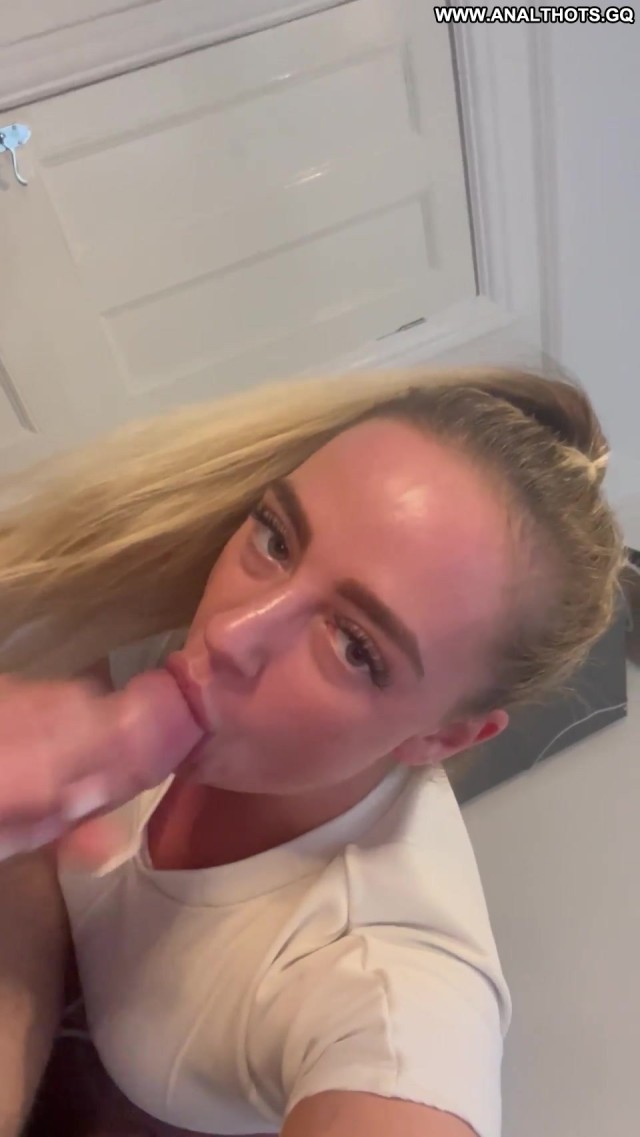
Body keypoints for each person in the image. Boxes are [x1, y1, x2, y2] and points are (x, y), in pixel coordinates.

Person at [0, 366, 623, 1137]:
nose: (229, 632)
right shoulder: (155, 625)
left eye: (355, 645)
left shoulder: (385, 984)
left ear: (441, 736)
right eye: (275, 537)